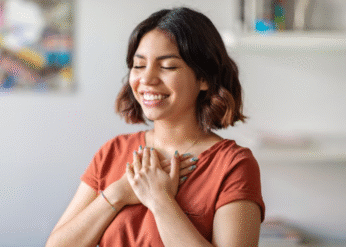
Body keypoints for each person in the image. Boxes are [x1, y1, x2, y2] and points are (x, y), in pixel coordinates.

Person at [46, 7, 265, 247]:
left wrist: (159, 199)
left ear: (204, 78)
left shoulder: (233, 165)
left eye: (168, 66)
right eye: (139, 66)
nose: (147, 79)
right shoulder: (113, 152)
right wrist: (117, 194)